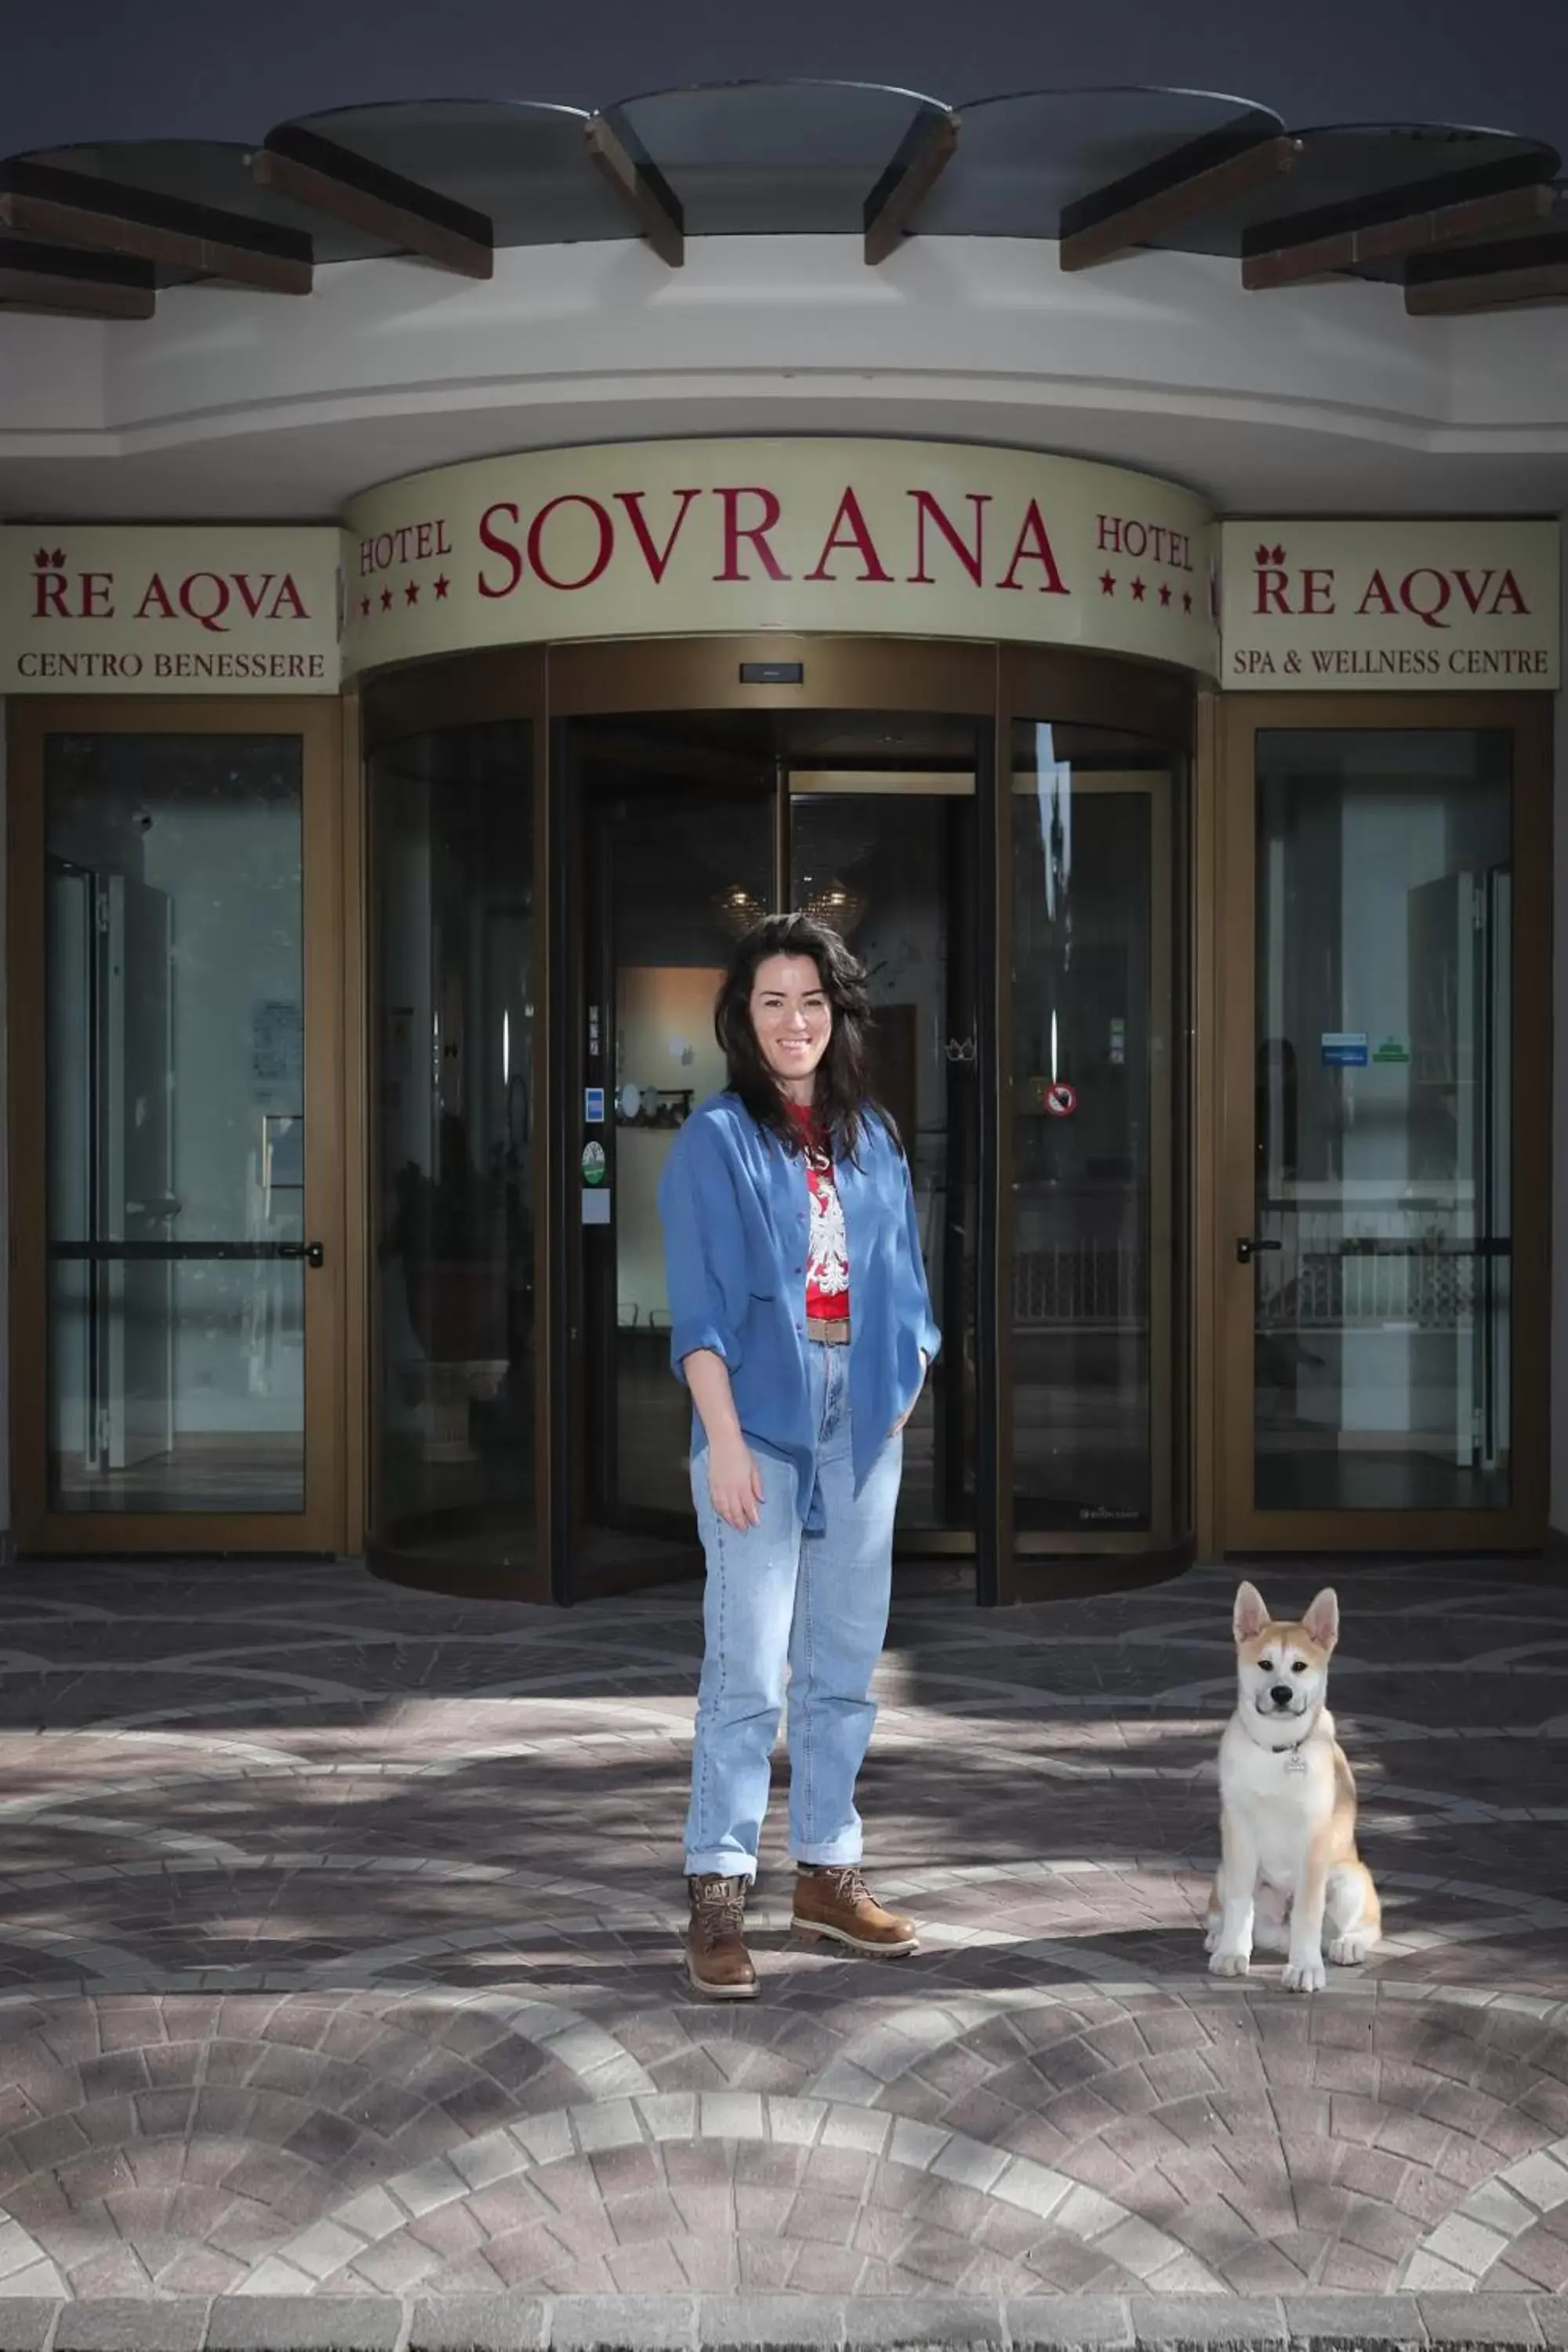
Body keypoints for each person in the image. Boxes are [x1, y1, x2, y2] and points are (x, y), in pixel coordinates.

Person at [657, 912, 941, 1998]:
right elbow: (699, 1315)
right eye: (773, 1001)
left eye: (812, 1001)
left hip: (860, 1426)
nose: (794, 1020)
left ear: (838, 1015)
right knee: (746, 1675)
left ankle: (827, 1876)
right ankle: (718, 1900)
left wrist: (900, 1392)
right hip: (758, 1428)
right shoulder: (717, 1142)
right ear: (744, 1018)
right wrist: (723, 1443)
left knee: (845, 1667)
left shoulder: (873, 1138)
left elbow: (909, 1291)